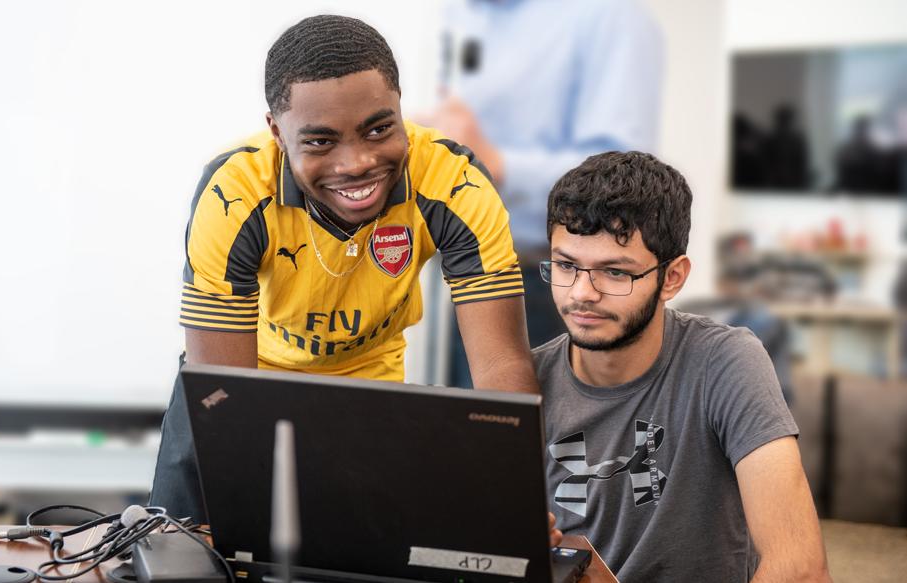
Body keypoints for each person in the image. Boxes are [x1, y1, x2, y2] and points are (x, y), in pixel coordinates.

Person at [150, 14, 540, 523]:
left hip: (368, 386)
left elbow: (501, 366)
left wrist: (508, 487)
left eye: (379, 128)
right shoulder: (234, 194)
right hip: (241, 386)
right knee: (199, 551)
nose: (356, 163)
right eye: (320, 141)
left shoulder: (455, 183)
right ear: (276, 132)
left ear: (401, 108)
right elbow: (225, 391)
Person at [535, 152, 830, 581]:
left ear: (671, 278)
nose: (581, 293)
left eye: (615, 273)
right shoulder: (527, 380)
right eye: (566, 265)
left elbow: (801, 569)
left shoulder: (726, 362)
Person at [420, 0, 663, 385]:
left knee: (537, 440)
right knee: (467, 436)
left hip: (550, 284)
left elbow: (624, 177)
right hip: (461, 274)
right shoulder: (466, 14)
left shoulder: (609, 17)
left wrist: (496, 163)